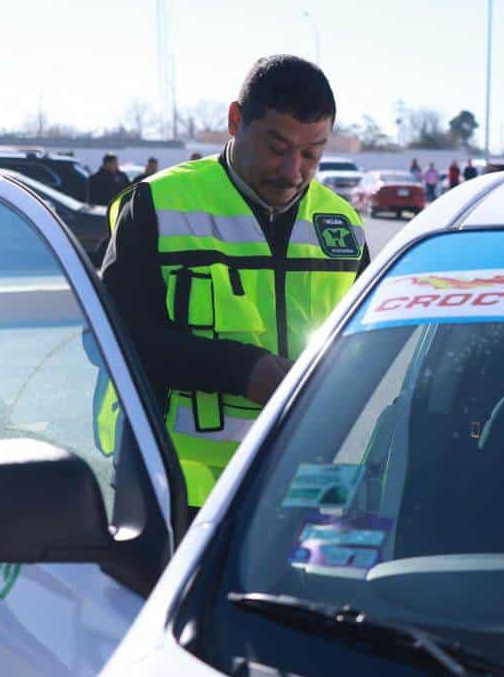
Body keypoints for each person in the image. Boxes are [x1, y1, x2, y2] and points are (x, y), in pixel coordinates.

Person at [99, 55, 369, 509]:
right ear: (235, 121)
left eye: (312, 154)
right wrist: (241, 371)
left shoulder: (340, 224)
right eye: (277, 148)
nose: (293, 173)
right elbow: (114, 339)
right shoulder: (158, 204)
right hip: (177, 490)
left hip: (307, 485)